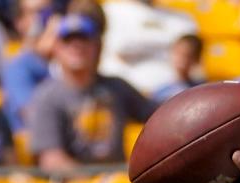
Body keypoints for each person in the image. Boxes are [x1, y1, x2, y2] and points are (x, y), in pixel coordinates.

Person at [28, 14, 156, 172]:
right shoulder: (47, 96)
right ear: (57, 48)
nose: (77, 45)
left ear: (96, 46)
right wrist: (95, 182)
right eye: (68, 40)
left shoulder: (117, 87)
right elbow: (51, 160)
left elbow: (157, 117)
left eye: (84, 39)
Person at [99, 0, 196, 96]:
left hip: (170, 96)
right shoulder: (111, 11)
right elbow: (120, 46)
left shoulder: (182, 19)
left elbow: (188, 48)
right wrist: (167, 42)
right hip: (123, 97)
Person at [2, 0, 59, 132]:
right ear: (19, 22)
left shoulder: (66, 59)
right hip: (32, 146)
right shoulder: (18, 66)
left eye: (48, 11)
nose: (46, 17)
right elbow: (32, 115)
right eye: (38, 12)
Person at [153, 34, 204, 103]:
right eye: (178, 53)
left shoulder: (200, 89)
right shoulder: (160, 89)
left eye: (187, 56)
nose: (181, 59)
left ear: (196, 59)